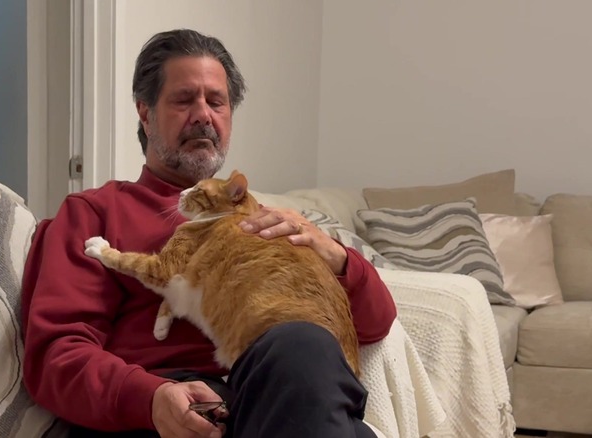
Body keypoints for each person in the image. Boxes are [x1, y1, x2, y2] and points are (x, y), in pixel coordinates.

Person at [21, 28, 397, 438]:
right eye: (184, 100)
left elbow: (376, 323)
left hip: (282, 388)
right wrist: (149, 398)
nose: (203, 115)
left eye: (216, 102)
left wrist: (336, 256)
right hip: (166, 408)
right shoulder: (95, 212)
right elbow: (56, 356)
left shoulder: (262, 218)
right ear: (145, 113)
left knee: (307, 349)